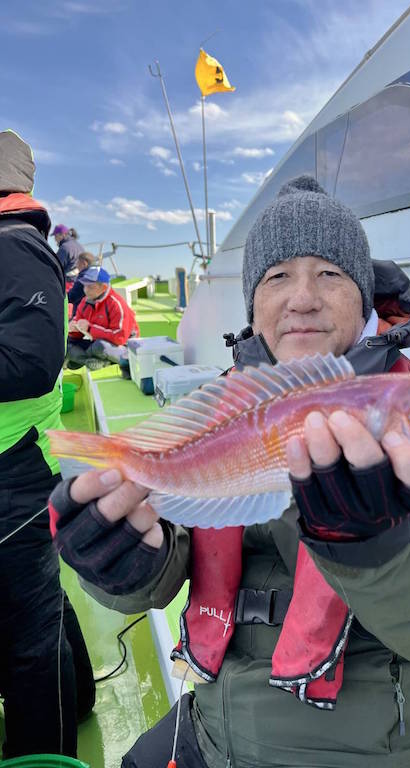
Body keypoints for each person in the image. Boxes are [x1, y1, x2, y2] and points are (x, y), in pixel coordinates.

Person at [49, 176, 410, 768]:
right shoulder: (221, 409)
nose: (302, 298)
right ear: (253, 303)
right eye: (277, 276)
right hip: (213, 728)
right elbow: (163, 577)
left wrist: (380, 550)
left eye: (330, 274)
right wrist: (122, 562)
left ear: (365, 298)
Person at [0, 129, 95, 759]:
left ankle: (44, 754)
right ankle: (82, 696)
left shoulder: (13, 246)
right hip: (18, 468)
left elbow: (31, 361)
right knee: (37, 606)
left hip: (14, 471)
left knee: (28, 639)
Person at [67, 266, 139, 371]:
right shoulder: (85, 301)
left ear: (104, 287)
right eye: (85, 286)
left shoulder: (116, 304)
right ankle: (93, 361)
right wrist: (73, 329)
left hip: (123, 346)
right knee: (66, 344)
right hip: (96, 341)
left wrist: (90, 329)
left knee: (99, 346)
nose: (86, 290)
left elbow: (120, 338)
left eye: (91, 287)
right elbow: (78, 332)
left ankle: (86, 359)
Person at [67, 251, 95, 316]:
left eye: (78, 263)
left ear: (84, 264)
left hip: (82, 314)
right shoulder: (96, 277)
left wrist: (59, 297)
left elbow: (72, 297)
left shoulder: (83, 279)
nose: (76, 266)